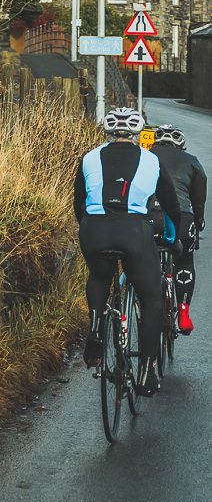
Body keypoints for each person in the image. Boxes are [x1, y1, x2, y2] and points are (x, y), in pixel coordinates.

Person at [75, 107, 180, 397]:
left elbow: (79, 203)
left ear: (107, 132)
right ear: (137, 134)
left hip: (94, 229)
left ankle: (96, 331)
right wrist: (174, 238)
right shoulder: (151, 160)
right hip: (134, 231)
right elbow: (171, 204)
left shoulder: (89, 157)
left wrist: (88, 230)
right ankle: (147, 373)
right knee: (151, 296)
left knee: (99, 277)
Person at [152, 125, 207, 334]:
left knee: (144, 257)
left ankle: (142, 303)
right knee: (184, 259)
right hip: (183, 219)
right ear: (180, 145)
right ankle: (183, 313)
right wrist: (199, 220)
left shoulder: (146, 157)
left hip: (150, 217)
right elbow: (198, 198)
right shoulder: (192, 161)